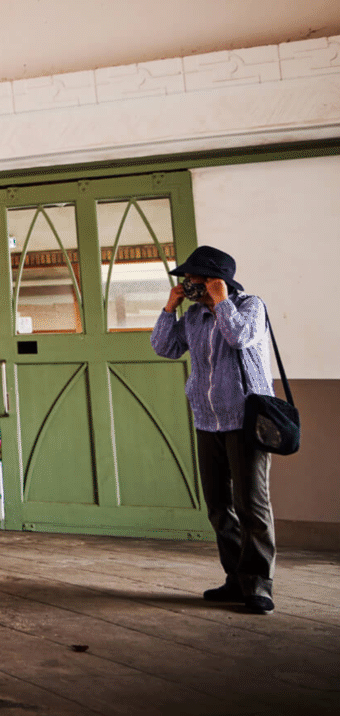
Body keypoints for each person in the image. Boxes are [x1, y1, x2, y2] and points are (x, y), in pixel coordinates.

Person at [150, 245, 276, 614]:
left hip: (246, 419)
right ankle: (235, 579)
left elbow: (240, 337)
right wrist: (169, 308)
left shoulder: (251, 306)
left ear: (215, 280)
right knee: (219, 506)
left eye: (194, 278)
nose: (188, 284)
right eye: (186, 279)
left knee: (251, 505)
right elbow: (164, 347)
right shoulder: (193, 316)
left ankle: (258, 585)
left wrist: (222, 302)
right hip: (207, 419)